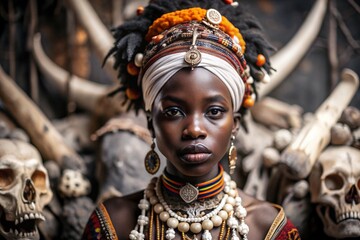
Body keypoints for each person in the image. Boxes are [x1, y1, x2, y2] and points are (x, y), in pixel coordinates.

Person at [82, 0, 301, 239]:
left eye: (214, 112)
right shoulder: (113, 224)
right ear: (150, 123)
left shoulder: (268, 227)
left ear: (235, 124)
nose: (194, 130)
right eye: (174, 112)